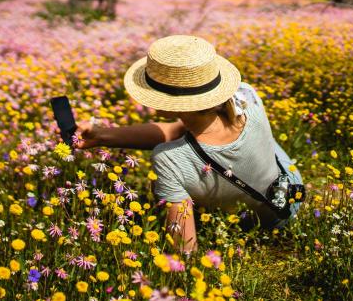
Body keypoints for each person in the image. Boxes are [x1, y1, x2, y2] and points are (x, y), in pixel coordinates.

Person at [74, 34, 303, 253]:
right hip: (290, 189)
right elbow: (176, 130)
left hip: (256, 225)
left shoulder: (169, 159)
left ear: (172, 103)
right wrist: (102, 136)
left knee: (180, 159)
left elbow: (185, 247)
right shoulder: (246, 95)